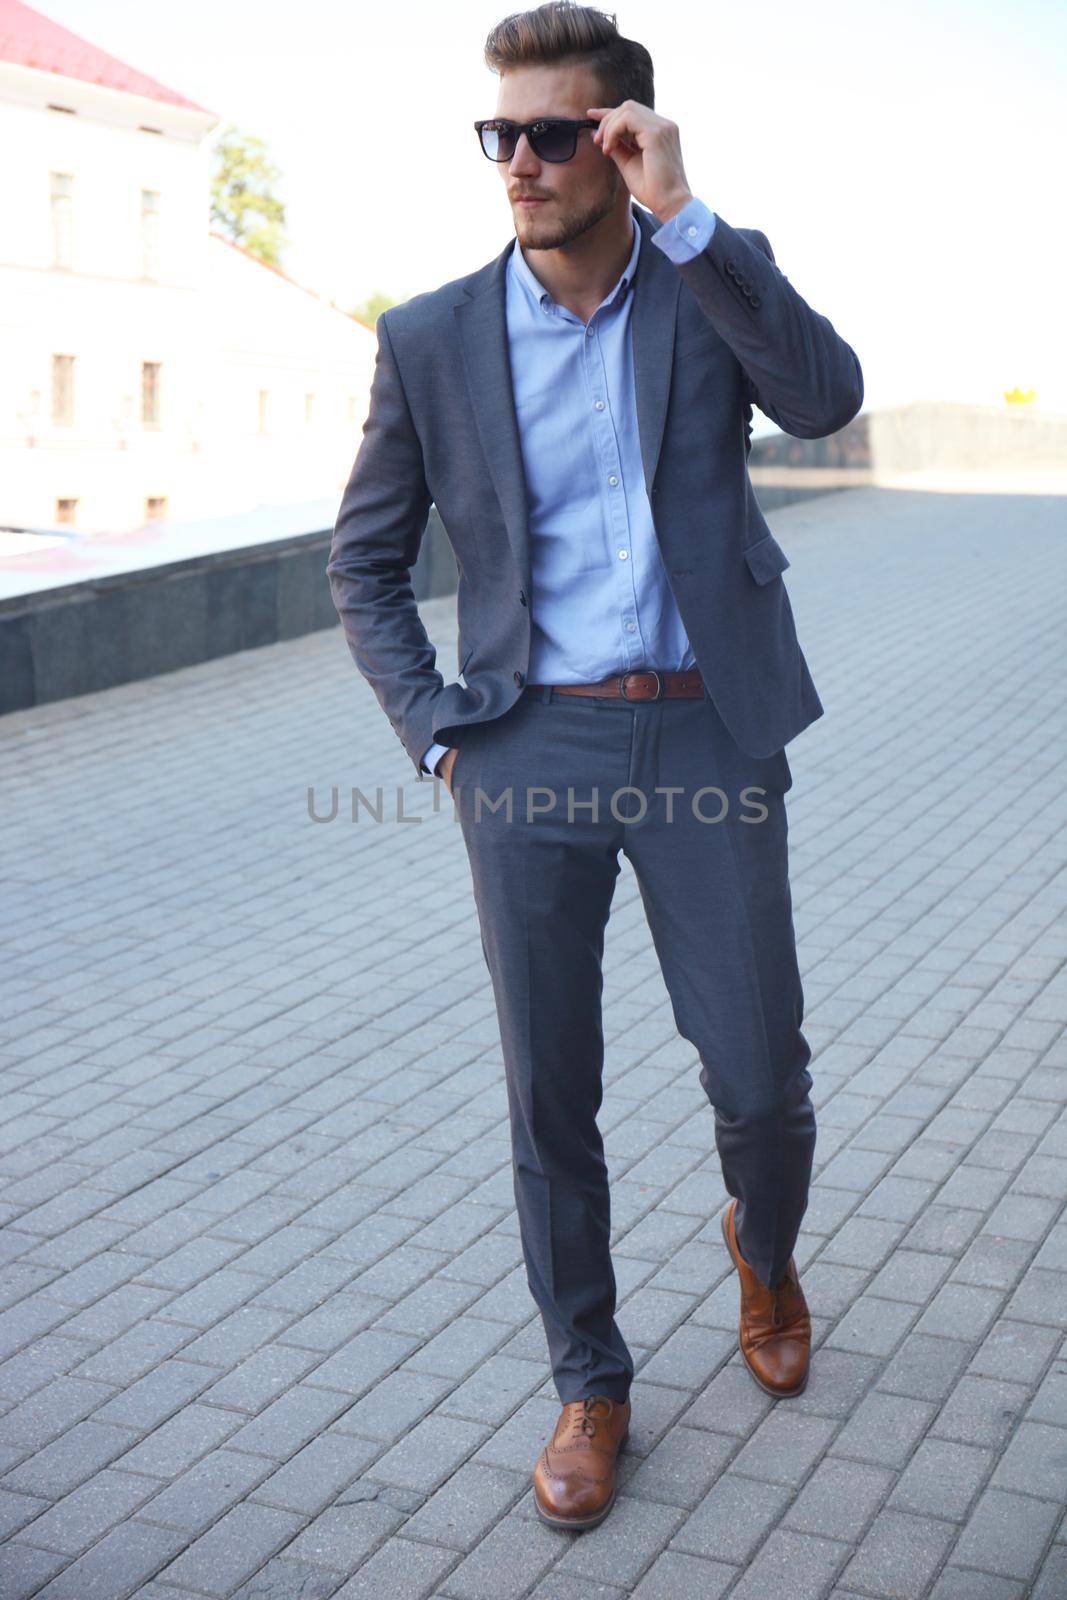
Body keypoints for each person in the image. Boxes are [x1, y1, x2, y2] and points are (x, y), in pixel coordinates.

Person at [326, 0, 862, 1534]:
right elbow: (362, 562)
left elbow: (827, 399)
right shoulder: (430, 336)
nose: (525, 163)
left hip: (705, 723)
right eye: (504, 135)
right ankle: (593, 1379)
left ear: (627, 138)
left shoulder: (701, 289)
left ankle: (764, 1255)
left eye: (562, 132)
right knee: (548, 1091)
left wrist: (689, 218)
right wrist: (436, 728)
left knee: (760, 1072)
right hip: (528, 744)